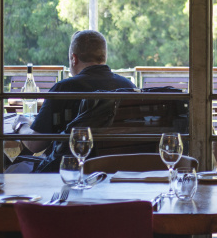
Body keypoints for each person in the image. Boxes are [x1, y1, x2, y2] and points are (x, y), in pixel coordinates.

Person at [11, 30, 136, 170]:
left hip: (69, 172)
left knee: (14, 169)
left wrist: (21, 125)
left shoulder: (64, 89)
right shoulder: (129, 87)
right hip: (118, 172)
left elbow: (35, 144)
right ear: (104, 57)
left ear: (73, 59)